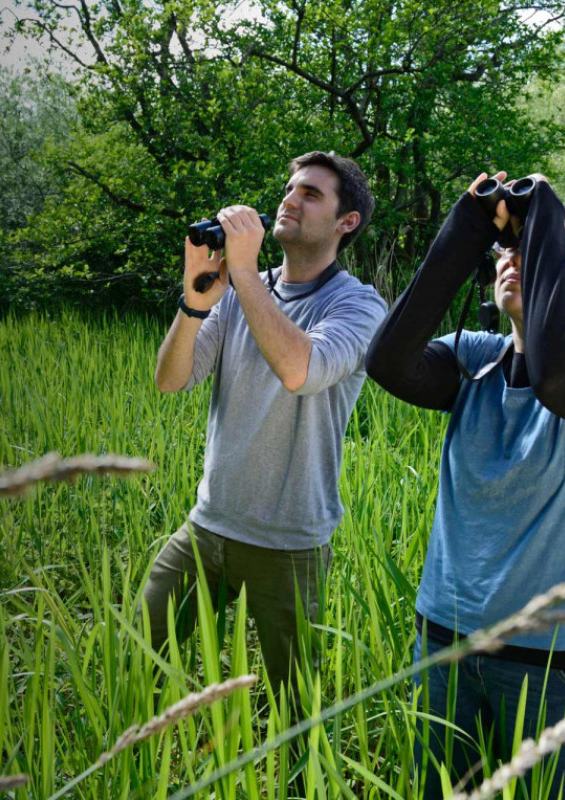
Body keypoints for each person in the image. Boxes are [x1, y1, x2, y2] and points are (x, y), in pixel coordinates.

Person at [365, 171, 565, 799]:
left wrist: (543, 209)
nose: (516, 259)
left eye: (544, 252)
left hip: (562, 665)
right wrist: (467, 227)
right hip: (446, 642)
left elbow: (560, 381)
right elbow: (387, 362)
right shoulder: (474, 358)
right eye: (510, 250)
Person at [143, 151, 387, 698]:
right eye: (290, 188)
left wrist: (245, 273)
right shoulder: (238, 292)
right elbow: (171, 379)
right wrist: (194, 302)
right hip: (208, 526)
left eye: (311, 194)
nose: (290, 199)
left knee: (293, 704)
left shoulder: (359, 305)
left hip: (288, 543)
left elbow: (301, 370)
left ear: (347, 222)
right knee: (141, 657)